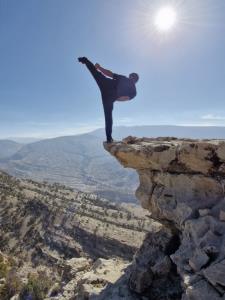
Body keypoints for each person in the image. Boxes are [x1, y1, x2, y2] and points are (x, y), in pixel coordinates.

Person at [78, 57, 139, 143]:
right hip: (109, 97)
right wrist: (114, 98)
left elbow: (110, 74)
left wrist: (99, 67)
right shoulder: (134, 92)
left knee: (95, 72)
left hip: (105, 83)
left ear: (130, 76)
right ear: (136, 81)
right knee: (108, 117)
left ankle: (85, 60)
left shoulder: (124, 78)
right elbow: (124, 98)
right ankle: (109, 138)